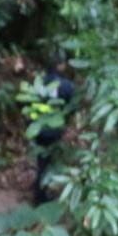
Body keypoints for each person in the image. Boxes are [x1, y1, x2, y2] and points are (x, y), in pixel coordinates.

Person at [31, 59, 76, 206]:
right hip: (54, 129)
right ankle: (40, 195)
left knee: (41, 160)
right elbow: (71, 107)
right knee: (48, 162)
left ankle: (39, 187)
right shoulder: (66, 86)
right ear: (59, 66)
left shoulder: (38, 83)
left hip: (38, 128)